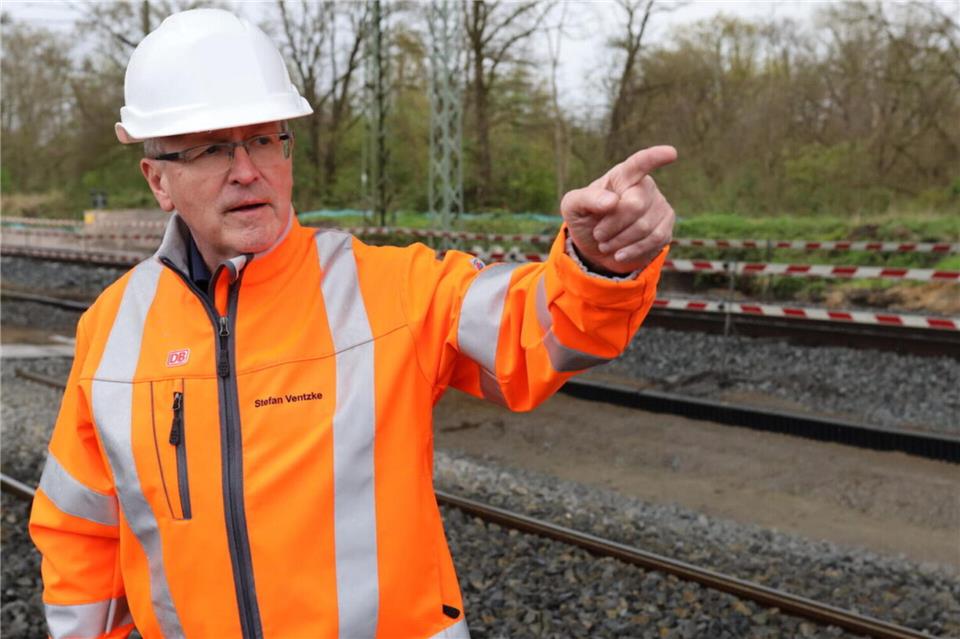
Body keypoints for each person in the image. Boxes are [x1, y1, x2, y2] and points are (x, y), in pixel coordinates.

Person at [28, 8, 676, 639]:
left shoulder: (387, 290)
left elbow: (534, 331)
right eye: (212, 148)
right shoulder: (112, 331)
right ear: (158, 180)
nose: (247, 169)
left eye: (262, 139)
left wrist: (596, 263)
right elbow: (81, 529)